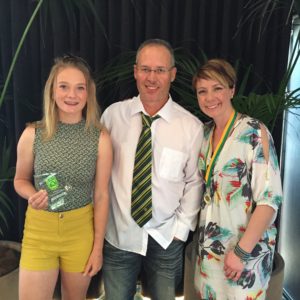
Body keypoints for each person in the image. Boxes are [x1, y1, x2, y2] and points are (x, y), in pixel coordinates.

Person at [101, 38, 204, 300]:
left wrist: (181, 231)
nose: (151, 77)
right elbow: (98, 174)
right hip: (118, 235)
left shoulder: (190, 127)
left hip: (167, 238)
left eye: (160, 70)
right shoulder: (112, 117)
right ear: (135, 71)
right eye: (145, 69)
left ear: (172, 74)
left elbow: (194, 182)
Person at [14, 55, 112, 300]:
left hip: (80, 231)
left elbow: (101, 194)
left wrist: (97, 248)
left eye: (80, 88)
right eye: (64, 86)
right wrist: (32, 195)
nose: (72, 95)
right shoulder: (32, 134)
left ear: (88, 93)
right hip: (40, 230)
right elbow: (20, 180)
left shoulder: (100, 138)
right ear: (52, 91)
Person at [193, 58, 283, 299]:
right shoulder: (203, 134)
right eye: (203, 91)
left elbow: (269, 201)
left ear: (232, 89)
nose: (209, 97)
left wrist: (241, 252)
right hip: (209, 253)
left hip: (244, 255)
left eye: (217, 88)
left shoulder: (254, 132)